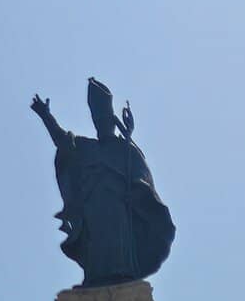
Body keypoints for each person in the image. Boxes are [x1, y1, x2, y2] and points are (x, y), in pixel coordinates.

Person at [31, 78, 175, 287]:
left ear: (113, 122)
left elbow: (142, 178)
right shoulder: (87, 148)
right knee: (97, 243)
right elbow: (62, 141)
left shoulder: (125, 150)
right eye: (98, 122)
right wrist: (45, 116)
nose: (101, 126)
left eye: (105, 121)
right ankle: (95, 277)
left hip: (118, 209)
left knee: (117, 242)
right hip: (93, 208)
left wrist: (136, 193)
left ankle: (122, 274)